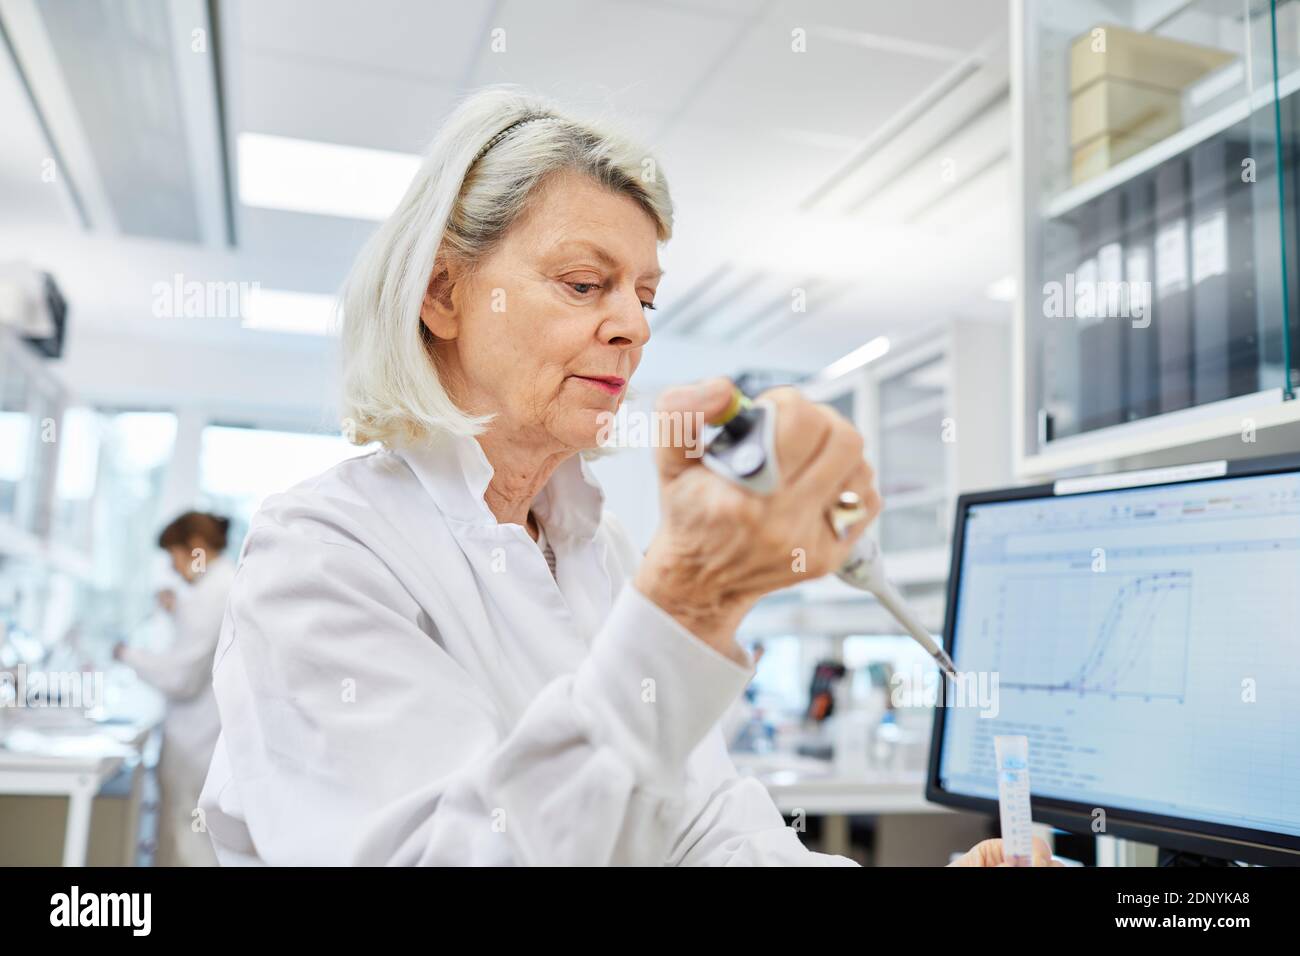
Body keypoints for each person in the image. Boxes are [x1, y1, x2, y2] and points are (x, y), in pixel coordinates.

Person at [197, 87, 1059, 867]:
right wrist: (690, 603)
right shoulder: (322, 558)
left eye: (644, 296)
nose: (633, 328)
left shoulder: (593, 550)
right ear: (444, 295)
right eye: (584, 283)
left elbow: (707, 832)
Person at [116, 511, 235, 866]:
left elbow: (181, 678)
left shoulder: (215, 590)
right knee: (190, 838)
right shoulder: (215, 587)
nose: (173, 569)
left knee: (190, 841)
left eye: (174, 557)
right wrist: (178, 609)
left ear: (195, 546)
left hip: (197, 743)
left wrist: (127, 654)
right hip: (200, 740)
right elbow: (201, 647)